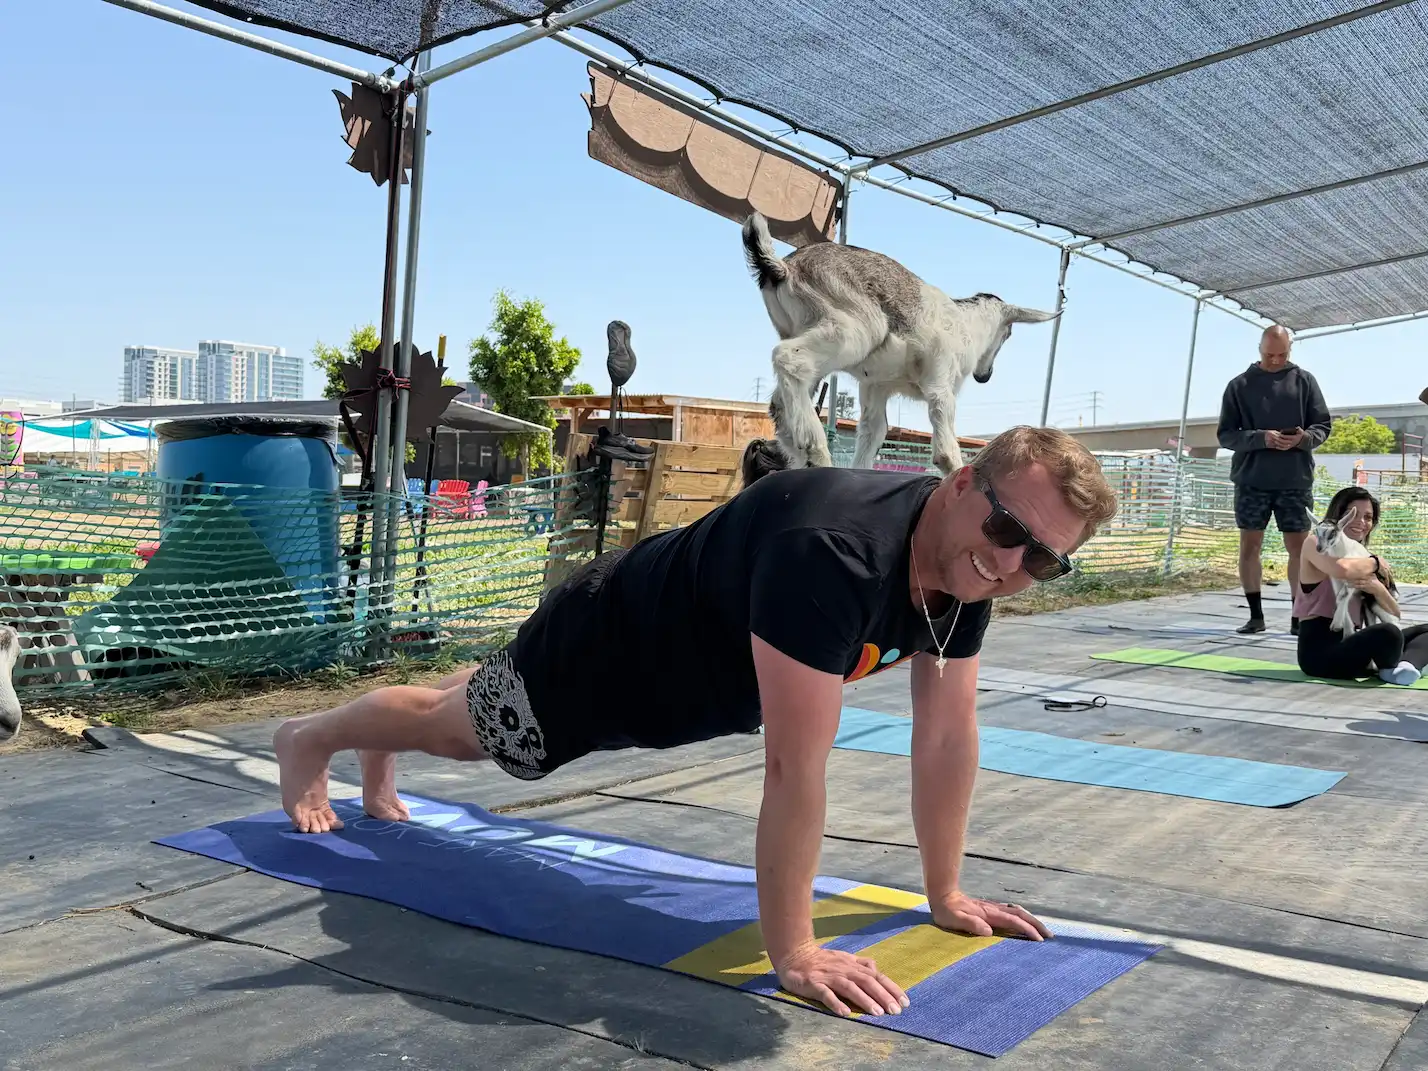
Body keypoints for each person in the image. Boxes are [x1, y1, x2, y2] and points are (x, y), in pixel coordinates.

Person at [273, 425, 1119, 1018]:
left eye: (1042, 558)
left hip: (682, 680)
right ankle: (315, 735)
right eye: (1008, 529)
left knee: (466, 706)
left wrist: (945, 894)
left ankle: (390, 731)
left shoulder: (971, 571)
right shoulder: (835, 552)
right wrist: (793, 951)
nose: (1012, 563)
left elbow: (944, 738)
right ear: (964, 481)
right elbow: (796, 768)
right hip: (610, 654)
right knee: (475, 735)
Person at [1217, 324, 1332, 636]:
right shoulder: (1239, 386)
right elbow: (1226, 435)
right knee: (1249, 546)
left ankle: (1299, 617)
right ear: (1259, 349)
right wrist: (1261, 438)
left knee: (1300, 548)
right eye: (1270, 355)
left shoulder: (1305, 381)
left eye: (1283, 354)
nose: (1277, 360)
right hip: (1251, 480)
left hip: (1295, 480)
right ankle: (1255, 616)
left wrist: (1303, 438)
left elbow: (1323, 426)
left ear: (1290, 350)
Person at [1296, 486, 1428, 686]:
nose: (1361, 522)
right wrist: (1375, 562)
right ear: (1340, 516)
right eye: (1353, 514)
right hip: (1320, 653)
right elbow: (1343, 570)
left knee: (1414, 630)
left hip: (1355, 641)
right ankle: (1392, 667)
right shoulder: (1315, 542)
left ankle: (1406, 666)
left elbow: (1395, 611)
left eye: (1368, 517)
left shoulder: (1360, 554)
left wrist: (1377, 588)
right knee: (1387, 633)